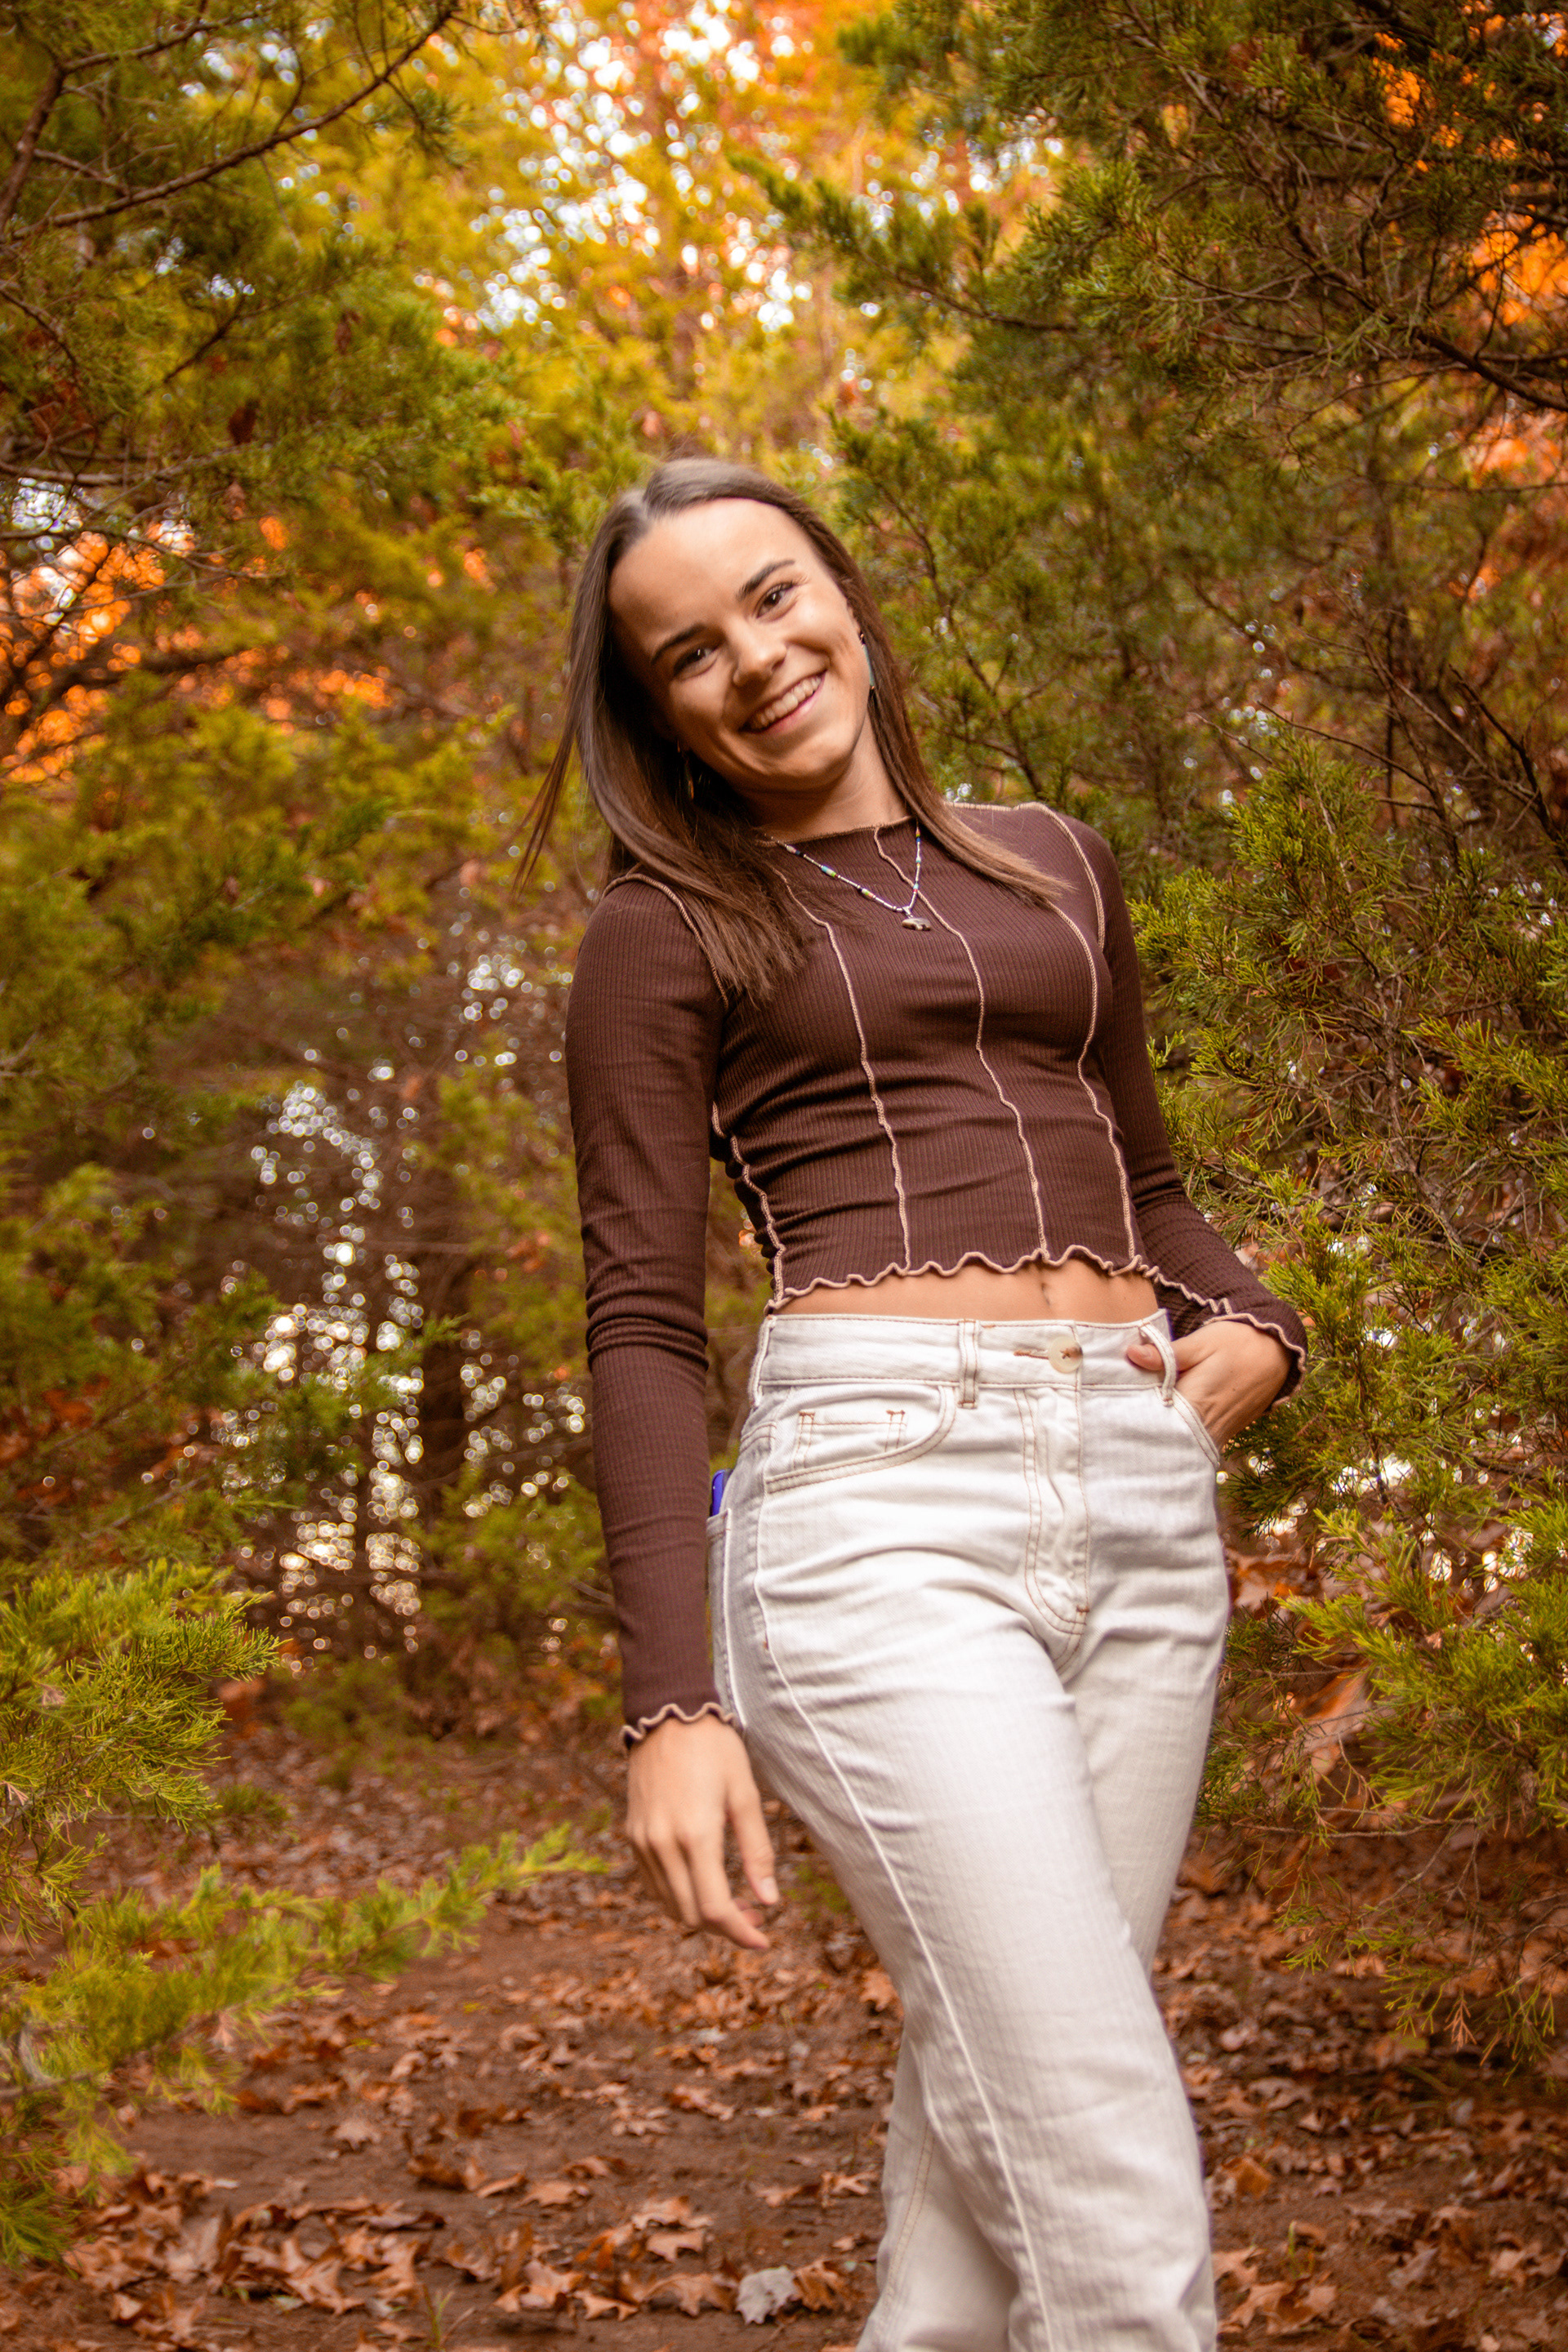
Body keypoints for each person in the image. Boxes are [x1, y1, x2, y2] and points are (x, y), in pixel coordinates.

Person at [541, 457, 1307, 2352]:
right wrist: (672, 1703)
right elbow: (640, 1320)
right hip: (877, 1517)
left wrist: (1259, 1320)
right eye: (689, 654)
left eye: (774, 597)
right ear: (662, 718)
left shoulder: (1054, 860)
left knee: (1000, 2150)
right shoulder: (665, 929)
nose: (755, 661)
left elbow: (1147, 1179)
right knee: (1106, 2169)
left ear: (844, 597)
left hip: (1140, 1503)